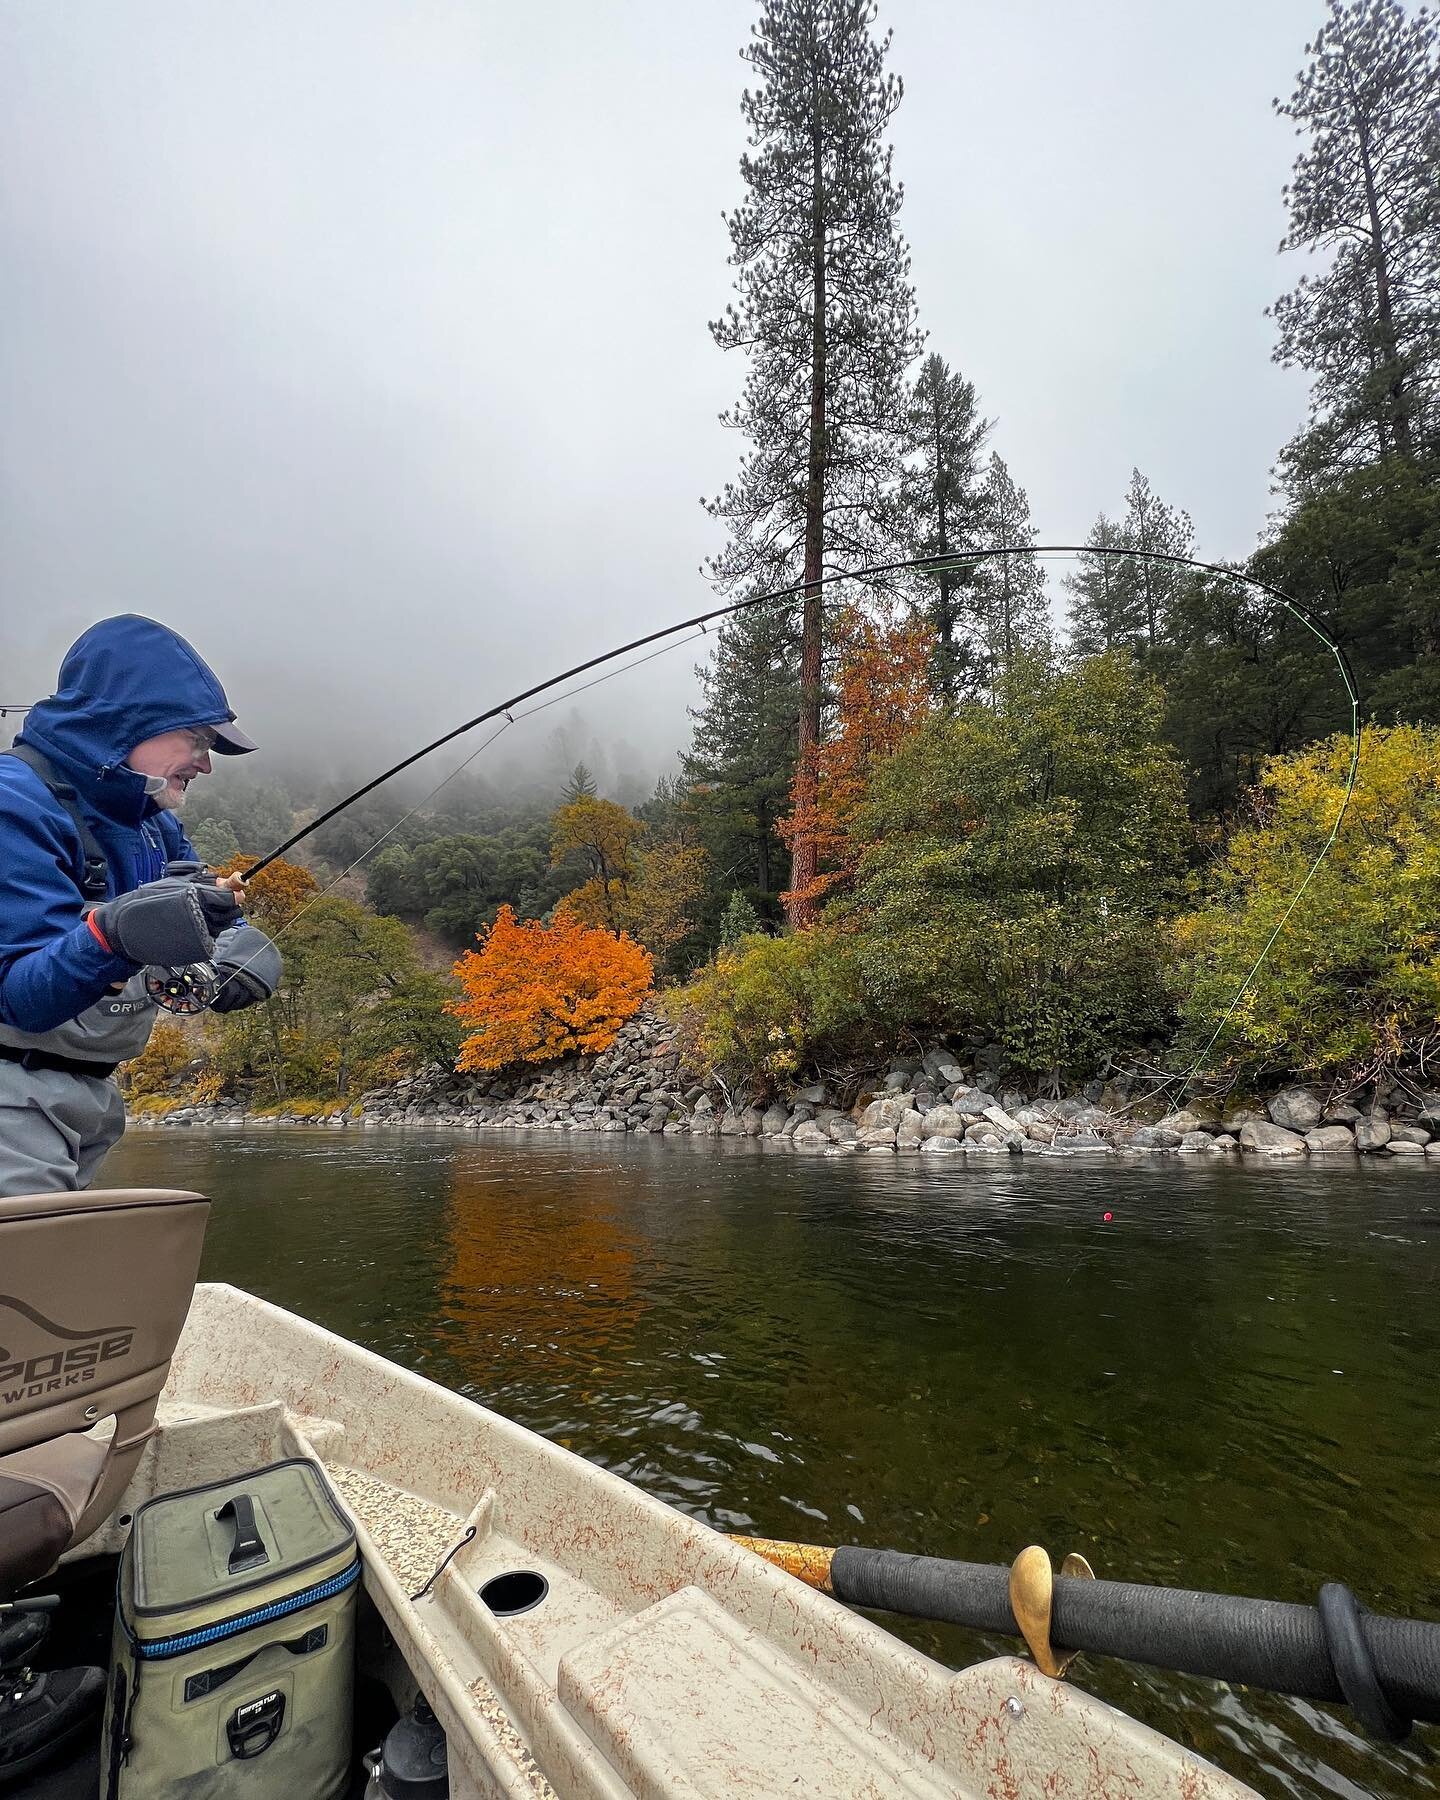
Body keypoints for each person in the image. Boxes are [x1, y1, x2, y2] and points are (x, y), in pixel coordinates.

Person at [0, 614, 282, 1197]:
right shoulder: (13, 803)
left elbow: (209, 903)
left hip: (94, 1100)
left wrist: (230, 954)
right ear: (127, 724)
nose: (207, 762)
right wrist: (115, 936)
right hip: (10, 1094)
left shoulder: (153, 824)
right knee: (30, 1285)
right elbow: (19, 997)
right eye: (199, 739)